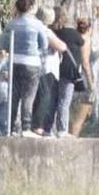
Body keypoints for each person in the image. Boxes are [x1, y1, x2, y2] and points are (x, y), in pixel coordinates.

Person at [0, 0, 66, 137]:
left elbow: (3, 43)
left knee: (14, 95)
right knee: (28, 96)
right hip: (32, 63)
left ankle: (10, 128)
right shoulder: (37, 25)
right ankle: (26, 127)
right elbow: (43, 44)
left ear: (17, 8)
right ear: (30, 8)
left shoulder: (11, 24)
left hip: (14, 62)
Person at [52, 11, 94, 138]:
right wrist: (91, 85)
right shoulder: (82, 40)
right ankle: (64, 131)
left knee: (56, 101)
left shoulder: (62, 34)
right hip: (74, 75)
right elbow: (85, 63)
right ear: (90, 28)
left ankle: (54, 128)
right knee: (67, 104)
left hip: (56, 70)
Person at [30, 7, 62, 136]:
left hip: (37, 66)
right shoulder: (45, 30)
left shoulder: (34, 28)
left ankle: (37, 125)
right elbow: (60, 46)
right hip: (47, 68)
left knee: (37, 97)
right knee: (45, 97)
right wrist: (63, 45)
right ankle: (39, 126)